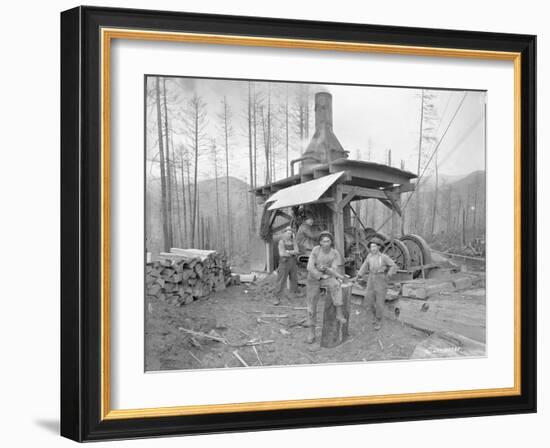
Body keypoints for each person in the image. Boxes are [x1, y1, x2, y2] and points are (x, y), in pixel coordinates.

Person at [305, 231, 346, 343]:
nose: (326, 243)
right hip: (313, 278)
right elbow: (309, 267)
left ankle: (339, 313)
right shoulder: (316, 250)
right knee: (311, 306)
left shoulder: (334, 253)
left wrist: (328, 271)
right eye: (323, 241)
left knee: (336, 284)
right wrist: (319, 274)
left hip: (326, 276)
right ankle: (311, 332)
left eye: (328, 241)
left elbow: (334, 268)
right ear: (320, 242)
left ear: (331, 242)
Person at [356, 241, 397, 330]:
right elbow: (364, 266)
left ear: (378, 247)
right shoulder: (369, 256)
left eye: (374, 247)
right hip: (371, 278)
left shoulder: (383, 257)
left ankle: (378, 320)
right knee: (368, 299)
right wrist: (358, 275)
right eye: (371, 247)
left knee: (379, 301)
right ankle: (374, 315)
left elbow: (393, 265)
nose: (373, 249)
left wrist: (388, 274)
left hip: (380, 279)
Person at [274, 227, 300, 305]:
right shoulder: (281, 242)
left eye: (290, 233)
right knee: (281, 280)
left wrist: (288, 251)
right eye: (288, 233)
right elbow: (282, 254)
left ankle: (293, 296)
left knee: (294, 278)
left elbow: (297, 251)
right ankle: (277, 297)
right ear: (284, 234)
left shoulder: (293, 241)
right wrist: (292, 253)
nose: (289, 235)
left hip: (292, 262)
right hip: (284, 263)